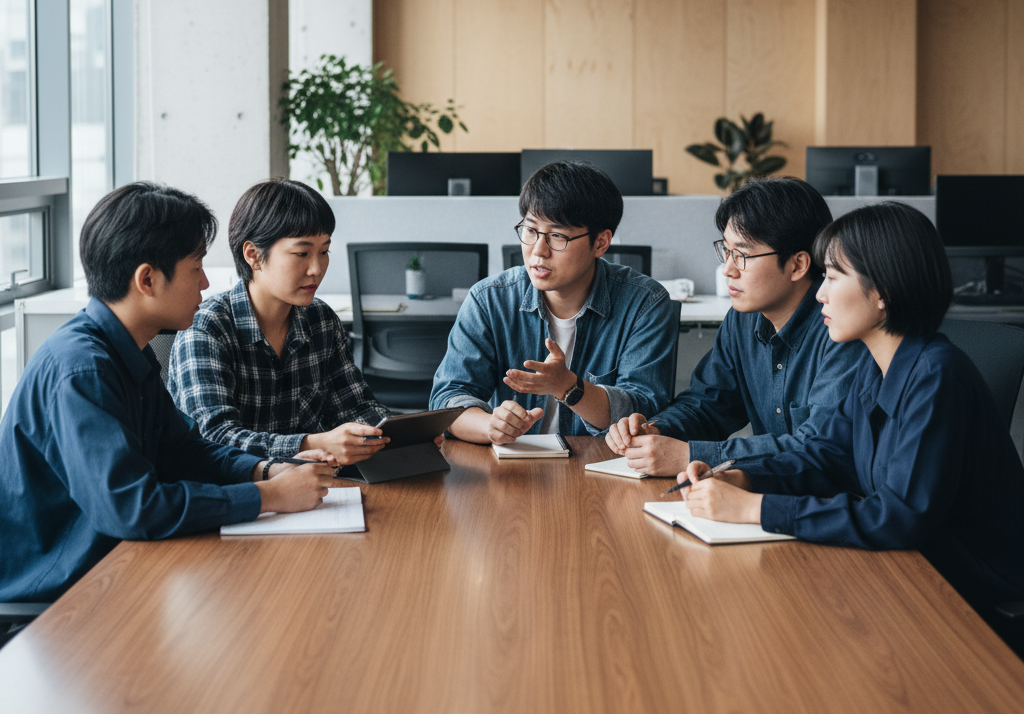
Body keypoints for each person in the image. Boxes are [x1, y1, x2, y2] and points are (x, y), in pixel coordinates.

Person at [679, 201, 1024, 636]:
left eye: (834, 276)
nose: (820, 292)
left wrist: (755, 508)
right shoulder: (873, 366)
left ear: (882, 291)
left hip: (967, 595)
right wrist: (743, 477)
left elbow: (899, 515)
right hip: (904, 574)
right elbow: (826, 454)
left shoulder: (938, 375)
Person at [0, 182, 342, 610]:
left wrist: (266, 470)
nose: (205, 280)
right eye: (195, 266)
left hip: (118, 564)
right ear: (147, 279)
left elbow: (184, 451)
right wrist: (270, 497)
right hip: (57, 595)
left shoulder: (127, 351)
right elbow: (133, 507)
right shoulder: (83, 370)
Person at [605, 177, 869, 477]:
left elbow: (819, 448)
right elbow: (708, 404)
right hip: (765, 495)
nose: (728, 269)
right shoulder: (744, 318)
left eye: (742, 255)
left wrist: (690, 455)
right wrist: (657, 429)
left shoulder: (841, 329)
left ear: (797, 265)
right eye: (726, 251)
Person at [430, 160, 679, 444]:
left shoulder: (646, 304)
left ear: (600, 242)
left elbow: (644, 410)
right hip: (514, 468)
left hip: (599, 469)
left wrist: (569, 388)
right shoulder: (489, 300)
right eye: (531, 230)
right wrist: (491, 426)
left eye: (558, 236)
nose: (538, 250)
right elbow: (448, 398)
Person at [168, 179, 392, 464]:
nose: (317, 268)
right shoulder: (207, 329)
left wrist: (389, 433)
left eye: (324, 251)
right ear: (253, 256)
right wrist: (310, 443)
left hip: (317, 485)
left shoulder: (321, 319)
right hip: (239, 493)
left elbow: (354, 406)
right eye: (302, 253)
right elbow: (215, 438)